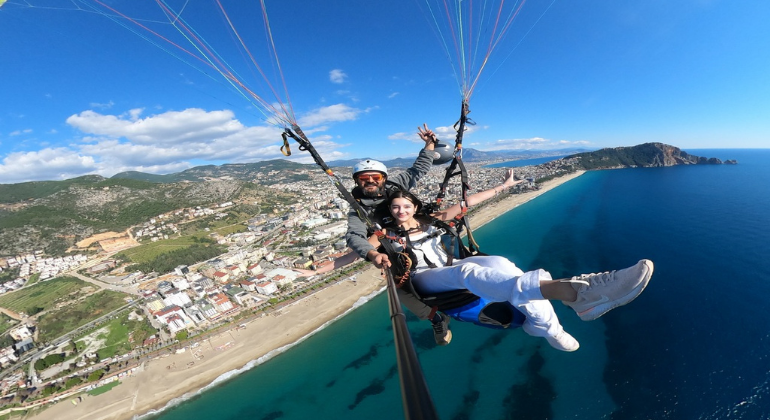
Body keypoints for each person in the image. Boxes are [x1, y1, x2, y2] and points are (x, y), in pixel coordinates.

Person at [367, 170, 654, 351]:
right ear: (390, 211)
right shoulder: (384, 234)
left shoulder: (432, 221)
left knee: (502, 265)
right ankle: (576, 291)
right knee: (466, 271)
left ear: (415, 207)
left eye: (406, 206)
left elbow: (470, 203)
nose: (401, 210)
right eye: (395, 207)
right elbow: (352, 254)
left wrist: (503, 186)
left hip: (447, 265)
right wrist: (328, 265)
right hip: (424, 279)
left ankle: (552, 329)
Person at [345, 124, 456, 345]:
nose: (370, 183)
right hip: (393, 246)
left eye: (375, 178)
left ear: (383, 178)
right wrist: (372, 255)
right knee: (400, 288)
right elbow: (354, 236)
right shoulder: (358, 208)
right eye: (364, 179)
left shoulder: (396, 184)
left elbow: (419, 168)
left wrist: (429, 144)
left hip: (417, 230)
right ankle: (435, 318)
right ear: (357, 182)